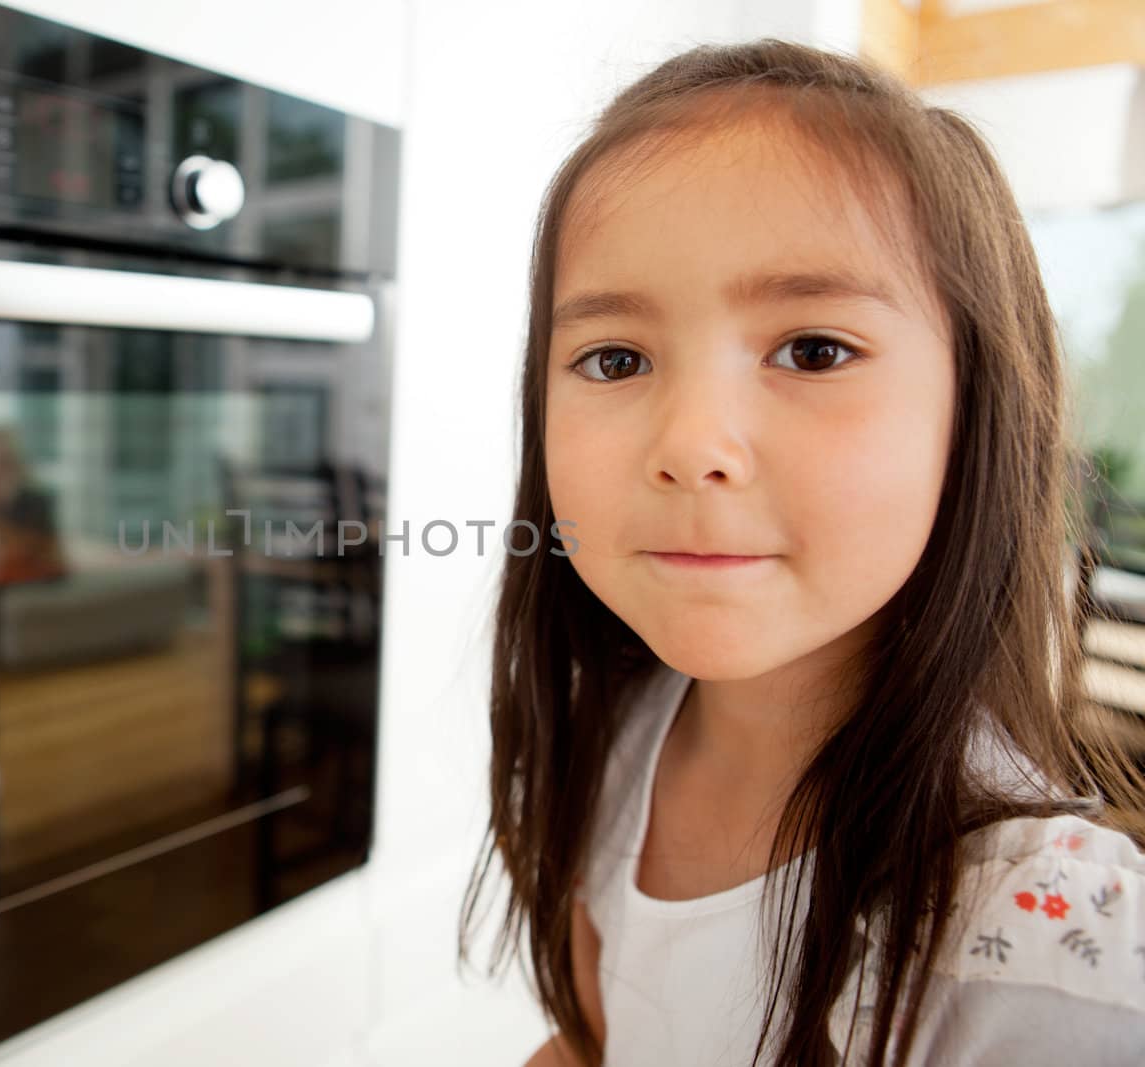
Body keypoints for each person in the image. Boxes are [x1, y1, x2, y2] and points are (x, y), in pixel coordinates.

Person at [458, 38, 1145, 1067]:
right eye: (614, 358)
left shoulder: (1046, 945)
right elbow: (594, 1039)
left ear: (973, 415)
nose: (690, 445)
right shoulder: (611, 738)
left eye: (813, 349)